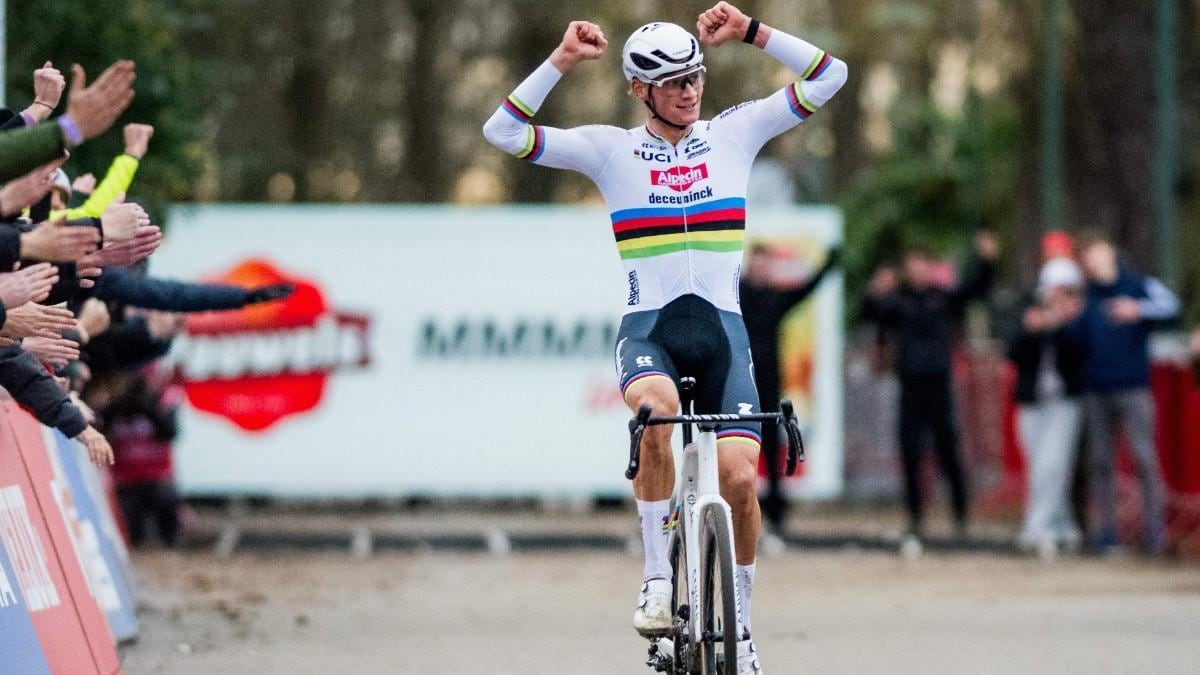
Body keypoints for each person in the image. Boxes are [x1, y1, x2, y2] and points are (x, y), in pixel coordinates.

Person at [483, 3, 846, 670]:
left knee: (740, 479)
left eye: (696, 76)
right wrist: (561, 60)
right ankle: (655, 575)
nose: (690, 90)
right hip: (649, 329)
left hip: (724, 332)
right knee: (658, 414)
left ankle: (740, 624)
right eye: (675, 82)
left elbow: (829, 76)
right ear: (640, 90)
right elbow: (503, 130)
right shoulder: (608, 149)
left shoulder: (734, 133)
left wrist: (752, 32)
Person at [860, 232, 998, 544]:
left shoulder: (943, 297)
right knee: (910, 452)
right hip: (910, 386)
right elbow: (869, 315)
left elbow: (977, 290)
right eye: (913, 265)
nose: (919, 271)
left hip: (939, 385)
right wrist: (873, 291)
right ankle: (915, 517)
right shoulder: (898, 300)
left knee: (949, 451)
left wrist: (987, 261)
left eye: (924, 264)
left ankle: (960, 515)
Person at [1067, 233, 1180, 553]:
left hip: (1132, 387)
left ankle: (1154, 531)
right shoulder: (1086, 296)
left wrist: (1139, 310)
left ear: (1109, 252)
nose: (1092, 260)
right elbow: (1074, 342)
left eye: (1095, 252)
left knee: (1144, 458)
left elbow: (1172, 307)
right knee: (1100, 462)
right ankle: (1106, 530)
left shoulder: (1138, 286)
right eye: (1086, 255)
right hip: (1095, 389)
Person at [739, 243, 839, 538]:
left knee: (771, 448)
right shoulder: (736, 296)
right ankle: (733, 507)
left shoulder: (774, 298)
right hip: (740, 381)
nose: (761, 269)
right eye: (756, 263)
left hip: (769, 383)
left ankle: (776, 513)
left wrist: (826, 267)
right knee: (735, 446)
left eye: (765, 264)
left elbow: (803, 291)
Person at [1009, 256, 1087, 554]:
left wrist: (1062, 324)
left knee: (1052, 466)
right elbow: (1013, 353)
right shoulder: (1028, 312)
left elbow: (1080, 354)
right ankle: (1064, 526)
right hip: (1032, 402)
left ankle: (1036, 528)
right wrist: (1034, 328)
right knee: (1040, 467)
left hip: (1063, 403)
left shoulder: (1076, 318)